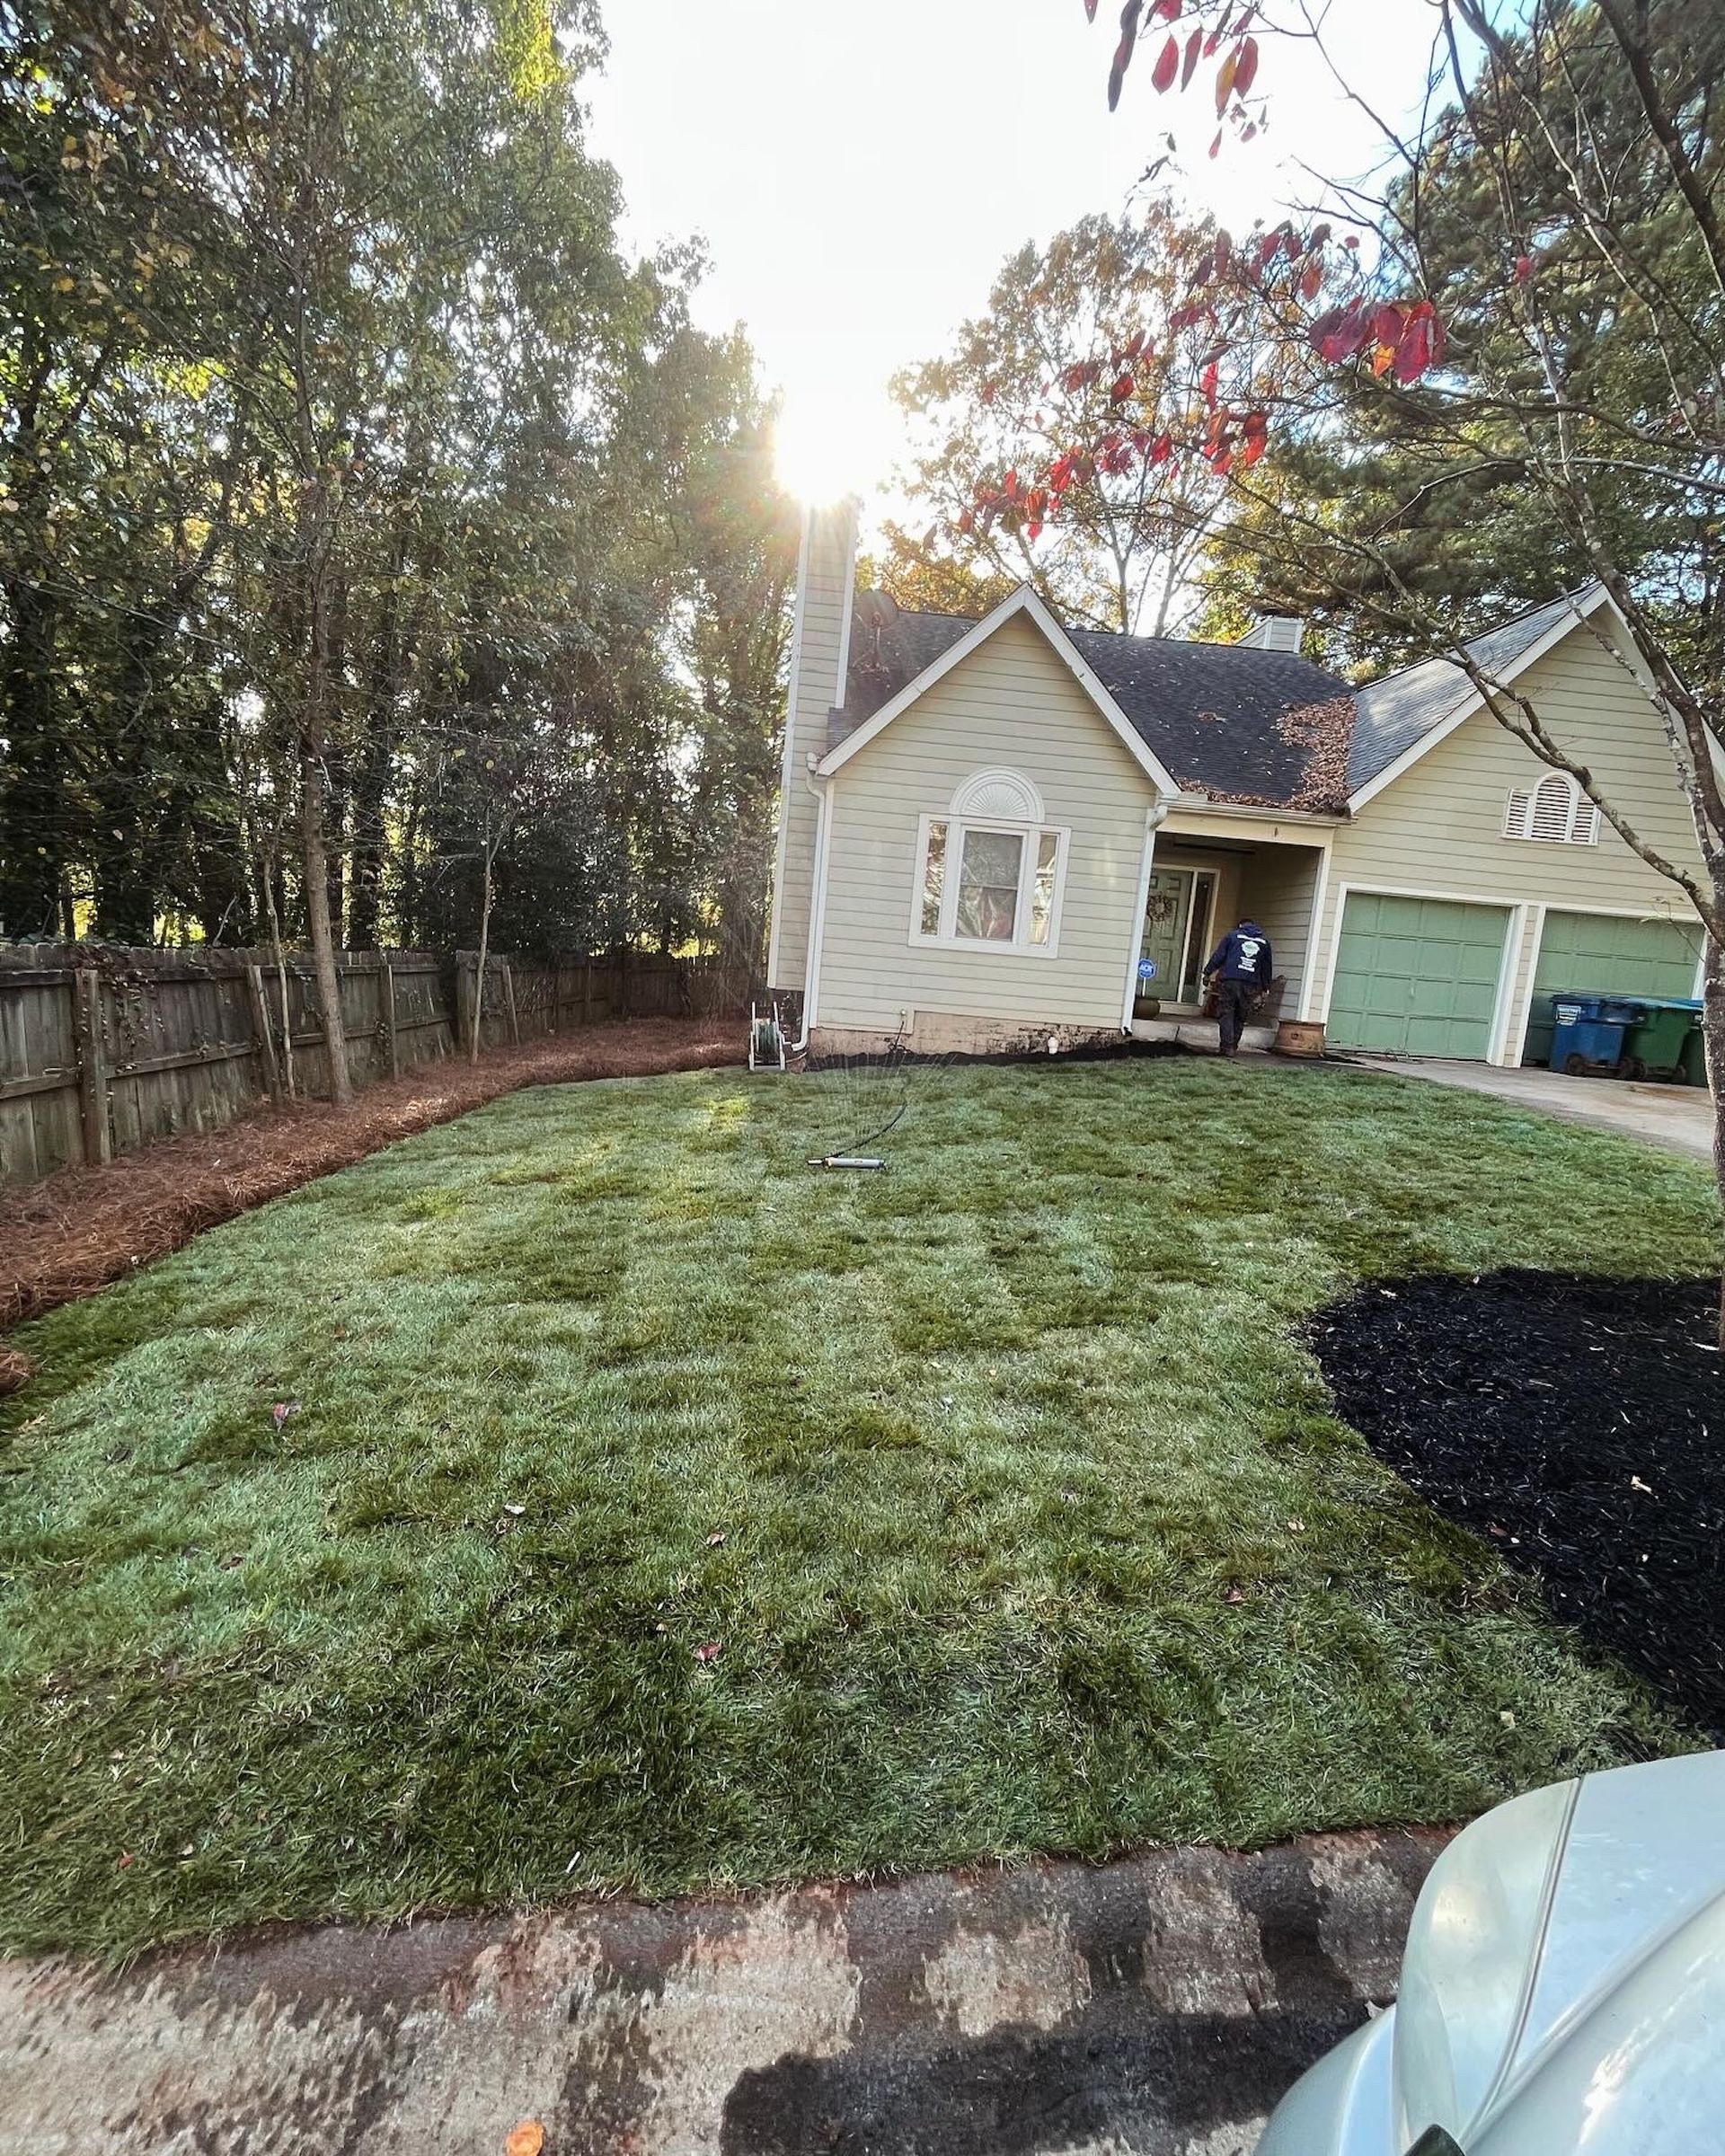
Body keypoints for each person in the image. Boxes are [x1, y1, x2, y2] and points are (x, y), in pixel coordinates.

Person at [1204, 918, 1273, 1058]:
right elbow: (1266, 968)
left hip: (1230, 980)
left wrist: (1207, 972)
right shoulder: (1264, 943)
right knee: (1240, 1016)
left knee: (1226, 1013)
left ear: (1241, 926)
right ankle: (1233, 1046)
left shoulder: (1233, 936)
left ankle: (1226, 1047)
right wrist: (1265, 988)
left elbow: (1219, 956)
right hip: (1250, 984)